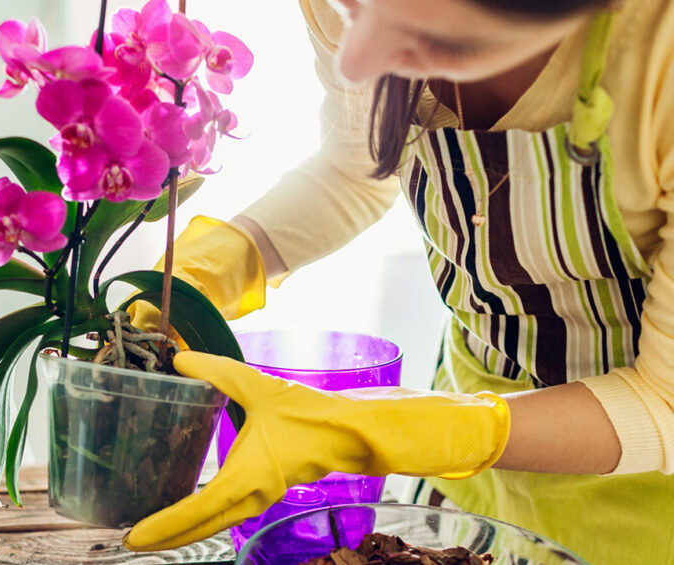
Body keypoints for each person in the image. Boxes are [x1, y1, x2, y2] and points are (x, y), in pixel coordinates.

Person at [122, 0, 674, 562]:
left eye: (424, 32)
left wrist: (398, 429)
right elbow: (356, 162)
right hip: (467, 474)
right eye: (352, 8)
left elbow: (665, 399)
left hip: (644, 504)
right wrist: (210, 271)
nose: (357, 58)